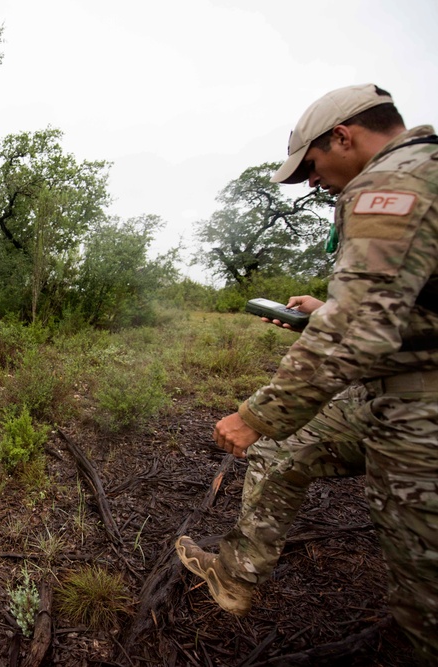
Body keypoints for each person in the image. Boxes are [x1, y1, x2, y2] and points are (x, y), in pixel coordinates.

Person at [176, 84, 438, 662]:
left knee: (424, 603)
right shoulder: (420, 174)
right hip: (394, 387)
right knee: (286, 449)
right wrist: (326, 313)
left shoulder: (391, 183)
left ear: (343, 136)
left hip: (423, 409)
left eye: (312, 167)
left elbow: (360, 330)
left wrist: (256, 414)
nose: (312, 182)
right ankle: (235, 574)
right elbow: (399, 308)